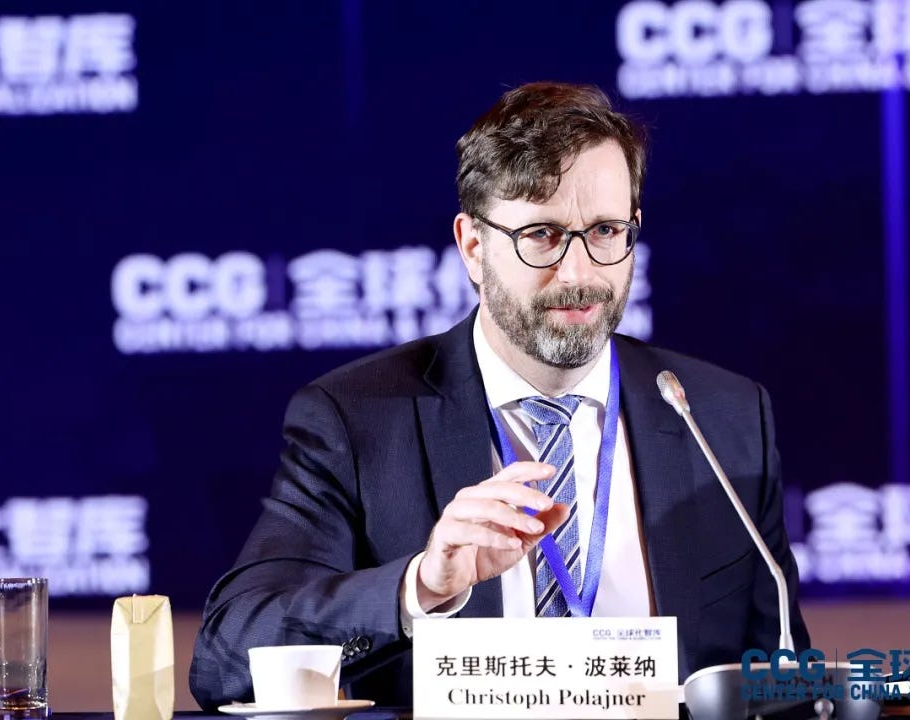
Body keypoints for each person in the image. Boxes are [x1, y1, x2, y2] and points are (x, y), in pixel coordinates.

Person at [189, 81, 810, 709]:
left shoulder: (724, 418)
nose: (579, 273)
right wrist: (419, 588)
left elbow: (783, 684)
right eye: (542, 235)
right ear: (473, 247)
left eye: (605, 231)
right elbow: (226, 658)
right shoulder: (359, 420)